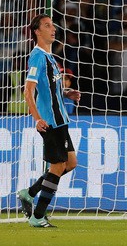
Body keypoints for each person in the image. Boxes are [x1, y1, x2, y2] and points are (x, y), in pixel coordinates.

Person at [17, 14, 81, 228]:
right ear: (37, 31)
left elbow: (51, 89)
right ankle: (38, 216)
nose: (52, 29)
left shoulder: (50, 57)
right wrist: (37, 119)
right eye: (47, 26)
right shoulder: (37, 56)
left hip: (61, 120)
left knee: (70, 163)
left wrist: (67, 93)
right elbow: (28, 91)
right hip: (50, 121)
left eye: (53, 25)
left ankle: (29, 192)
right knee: (58, 165)